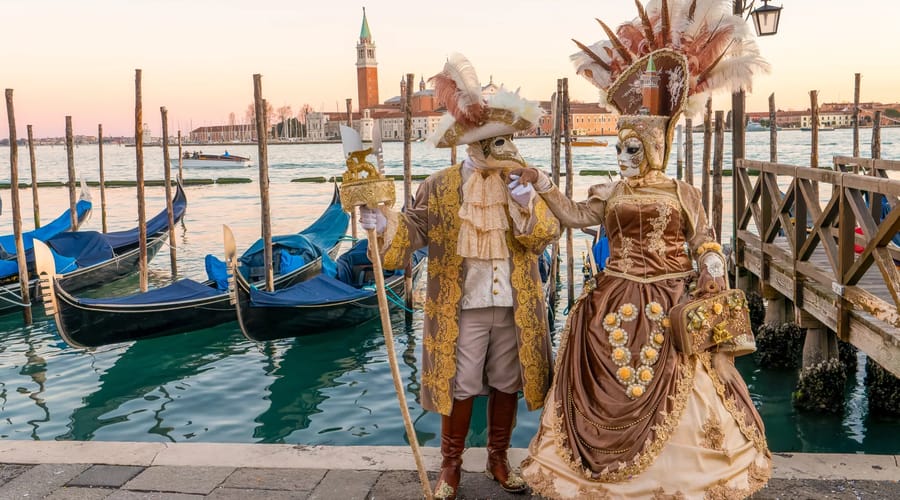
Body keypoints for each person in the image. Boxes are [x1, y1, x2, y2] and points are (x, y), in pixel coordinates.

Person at [511, 2, 772, 498]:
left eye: (634, 149)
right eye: (620, 149)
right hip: (615, 295)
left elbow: (703, 238)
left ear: (653, 150)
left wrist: (713, 262)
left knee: (683, 377)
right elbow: (571, 216)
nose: (624, 157)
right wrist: (543, 183)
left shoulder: (679, 192)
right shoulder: (610, 193)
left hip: (672, 298)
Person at [359, 53, 559, 500]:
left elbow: (546, 235)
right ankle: (450, 467)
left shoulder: (521, 183)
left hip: (514, 302)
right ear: (470, 144)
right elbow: (411, 231)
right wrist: (384, 223)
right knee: (459, 382)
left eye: (503, 141)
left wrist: (528, 203)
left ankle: (498, 458)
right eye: (491, 142)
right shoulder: (440, 186)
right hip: (460, 305)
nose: (500, 150)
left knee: (509, 380)